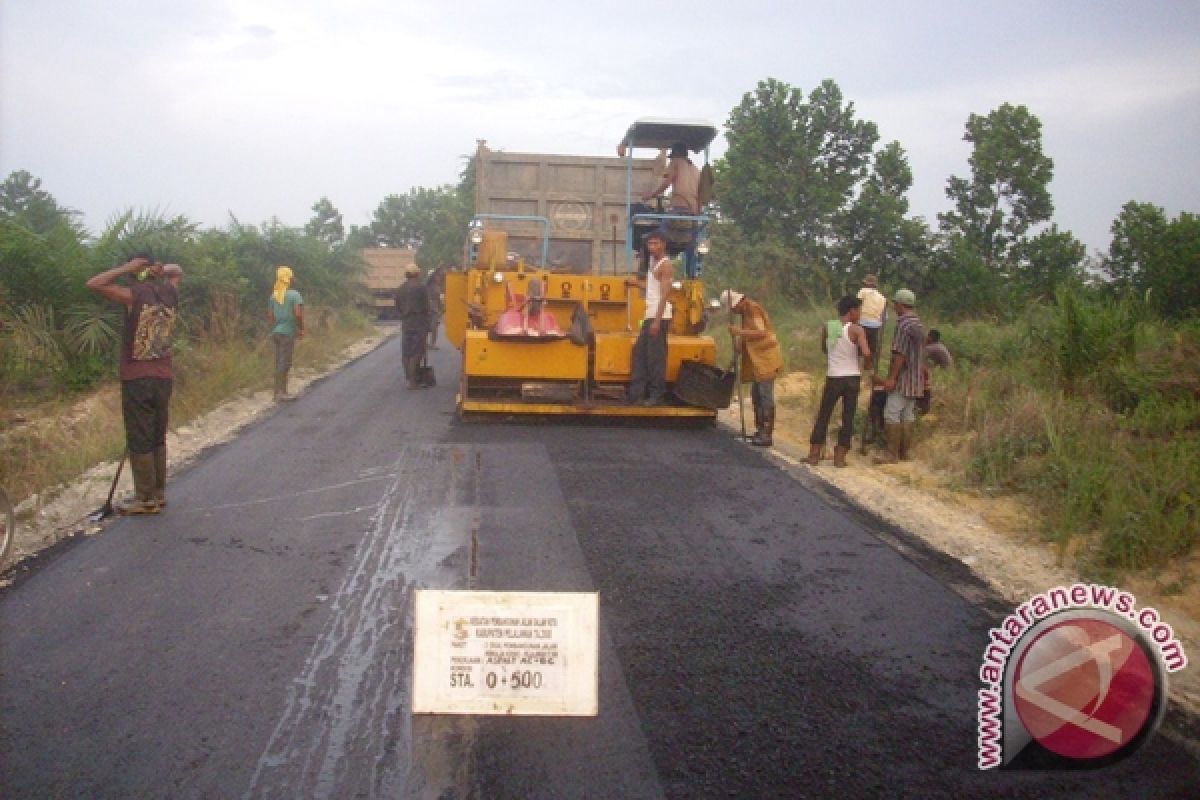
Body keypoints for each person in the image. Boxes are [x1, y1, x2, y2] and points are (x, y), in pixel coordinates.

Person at [86, 254, 183, 514]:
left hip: (138, 378)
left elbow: (94, 283)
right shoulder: (170, 292)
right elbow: (177, 271)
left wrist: (124, 268)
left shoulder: (133, 296)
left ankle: (145, 499)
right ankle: (158, 492)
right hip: (163, 376)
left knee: (140, 437)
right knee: (157, 436)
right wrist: (161, 270)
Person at [805, 296, 872, 467]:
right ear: (852, 311)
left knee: (824, 414)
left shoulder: (829, 327)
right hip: (852, 378)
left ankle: (814, 454)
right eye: (858, 310)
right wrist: (868, 365)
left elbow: (824, 349)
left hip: (834, 376)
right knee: (847, 417)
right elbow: (866, 352)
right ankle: (839, 458)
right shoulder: (857, 330)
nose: (859, 314)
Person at [722, 289, 784, 446]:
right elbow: (745, 339)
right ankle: (760, 430)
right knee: (756, 394)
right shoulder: (745, 314)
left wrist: (739, 332)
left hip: (767, 358)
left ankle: (767, 434)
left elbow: (761, 332)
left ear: (738, 303)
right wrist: (733, 359)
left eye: (733, 309)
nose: (734, 312)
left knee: (765, 396)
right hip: (757, 360)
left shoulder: (753, 309)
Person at [874, 288, 925, 463]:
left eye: (896, 303)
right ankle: (905, 453)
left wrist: (891, 378)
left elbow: (900, 355)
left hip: (903, 378)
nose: (895, 306)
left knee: (892, 413)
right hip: (915, 378)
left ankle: (891, 454)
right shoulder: (918, 323)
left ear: (901, 305)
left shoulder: (903, 325)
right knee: (908, 415)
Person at [626, 230, 673, 406]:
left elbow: (664, 294)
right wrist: (635, 283)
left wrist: (657, 321)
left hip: (658, 316)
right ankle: (636, 394)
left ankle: (656, 395)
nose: (651, 247)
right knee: (639, 353)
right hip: (650, 314)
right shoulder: (653, 262)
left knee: (655, 358)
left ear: (663, 244)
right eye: (649, 244)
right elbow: (652, 286)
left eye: (655, 243)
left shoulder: (665, 265)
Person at [268, 266, 304, 402]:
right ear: (289, 279)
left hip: (276, 332)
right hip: (287, 333)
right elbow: (298, 314)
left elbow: (270, 316)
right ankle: (280, 393)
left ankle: (277, 391)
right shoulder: (295, 295)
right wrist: (301, 329)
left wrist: (277, 326)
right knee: (285, 363)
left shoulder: (274, 295)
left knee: (278, 362)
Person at [395, 263, 431, 389]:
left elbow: (398, 307)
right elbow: (427, 307)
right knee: (418, 351)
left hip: (406, 322)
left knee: (406, 352)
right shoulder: (421, 288)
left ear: (406, 275)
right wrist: (429, 324)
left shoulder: (400, 289)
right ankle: (413, 381)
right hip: (419, 321)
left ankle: (409, 377)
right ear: (417, 274)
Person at [642, 142, 701, 214]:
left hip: (680, 206)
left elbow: (667, 182)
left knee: (663, 224)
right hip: (694, 209)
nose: (671, 159)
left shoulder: (676, 162)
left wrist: (652, 195)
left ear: (676, 154)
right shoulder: (696, 169)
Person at [917, 329, 953, 415]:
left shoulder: (931, 348)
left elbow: (918, 358)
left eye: (927, 336)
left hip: (944, 372)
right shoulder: (938, 345)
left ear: (930, 338)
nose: (926, 338)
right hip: (946, 370)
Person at [856, 274, 887, 370]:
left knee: (860, 345)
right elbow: (884, 316)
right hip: (875, 325)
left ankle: (857, 365)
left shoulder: (863, 291)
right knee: (871, 346)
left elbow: (857, 305)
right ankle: (869, 366)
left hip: (862, 322)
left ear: (866, 284)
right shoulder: (882, 298)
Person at [425, 266, 446, 349]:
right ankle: (427, 343)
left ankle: (432, 343)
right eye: (437, 276)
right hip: (430, 309)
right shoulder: (428, 287)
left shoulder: (437, 286)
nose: (438, 277)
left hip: (435, 309)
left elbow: (438, 299)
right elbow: (428, 298)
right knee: (427, 327)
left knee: (434, 327)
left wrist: (441, 309)